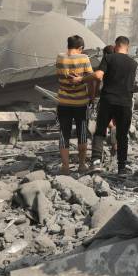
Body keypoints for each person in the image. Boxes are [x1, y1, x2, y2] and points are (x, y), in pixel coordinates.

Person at [78, 36, 137, 176]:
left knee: (100, 131)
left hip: (108, 100)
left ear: (116, 46)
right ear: (127, 47)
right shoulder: (133, 63)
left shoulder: (109, 58)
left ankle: (96, 163)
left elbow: (98, 76)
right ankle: (122, 168)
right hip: (125, 103)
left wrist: (82, 79)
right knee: (122, 136)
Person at [56, 35, 94, 175]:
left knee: (63, 134)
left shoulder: (60, 57)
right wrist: (91, 97)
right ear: (80, 48)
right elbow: (91, 79)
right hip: (80, 103)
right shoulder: (84, 58)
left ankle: (65, 167)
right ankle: (82, 165)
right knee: (82, 134)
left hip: (63, 102)